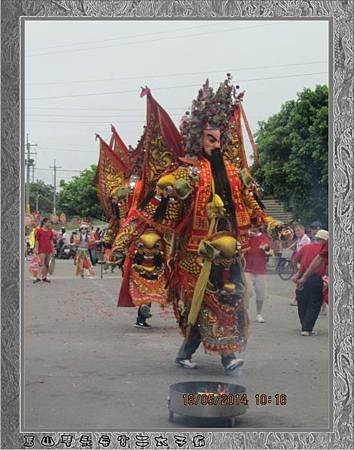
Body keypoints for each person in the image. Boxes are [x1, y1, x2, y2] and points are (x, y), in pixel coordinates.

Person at [113, 76, 291, 372]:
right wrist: (164, 193)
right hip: (194, 255)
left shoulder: (235, 175)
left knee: (231, 300)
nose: (216, 143)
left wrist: (275, 226)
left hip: (230, 252)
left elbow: (255, 209)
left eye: (220, 138)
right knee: (207, 303)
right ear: (198, 138)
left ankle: (196, 351)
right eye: (210, 138)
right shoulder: (188, 174)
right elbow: (152, 210)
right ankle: (226, 356)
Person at [292, 229, 329, 335]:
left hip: (303, 276)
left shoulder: (306, 247)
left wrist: (298, 273)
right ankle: (307, 328)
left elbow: (295, 259)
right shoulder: (325, 250)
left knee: (302, 301)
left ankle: (304, 325)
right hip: (318, 278)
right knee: (314, 303)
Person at [244, 221, 272, 323]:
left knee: (261, 293)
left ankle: (258, 314)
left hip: (261, 269)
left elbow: (267, 248)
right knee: (247, 291)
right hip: (247, 269)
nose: (253, 228)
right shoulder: (246, 237)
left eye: (255, 226)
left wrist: (265, 248)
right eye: (252, 226)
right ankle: (244, 313)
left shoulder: (263, 237)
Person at [289, 223, 311, 306]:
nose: (296, 232)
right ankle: (298, 298)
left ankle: (297, 298)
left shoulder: (306, 240)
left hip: (304, 263)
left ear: (303, 230)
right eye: (295, 231)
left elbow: (305, 252)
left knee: (300, 280)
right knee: (300, 281)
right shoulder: (299, 240)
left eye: (298, 230)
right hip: (300, 263)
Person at [33, 217, 55, 283]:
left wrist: (53, 249)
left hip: (49, 250)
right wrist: (36, 249)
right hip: (41, 250)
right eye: (48, 222)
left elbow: (51, 241)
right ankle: (38, 277)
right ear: (44, 222)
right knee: (41, 264)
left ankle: (44, 277)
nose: (49, 224)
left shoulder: (50, 231)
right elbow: (37, 241)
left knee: (47, 264)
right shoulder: (39, 231)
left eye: (50, 222)